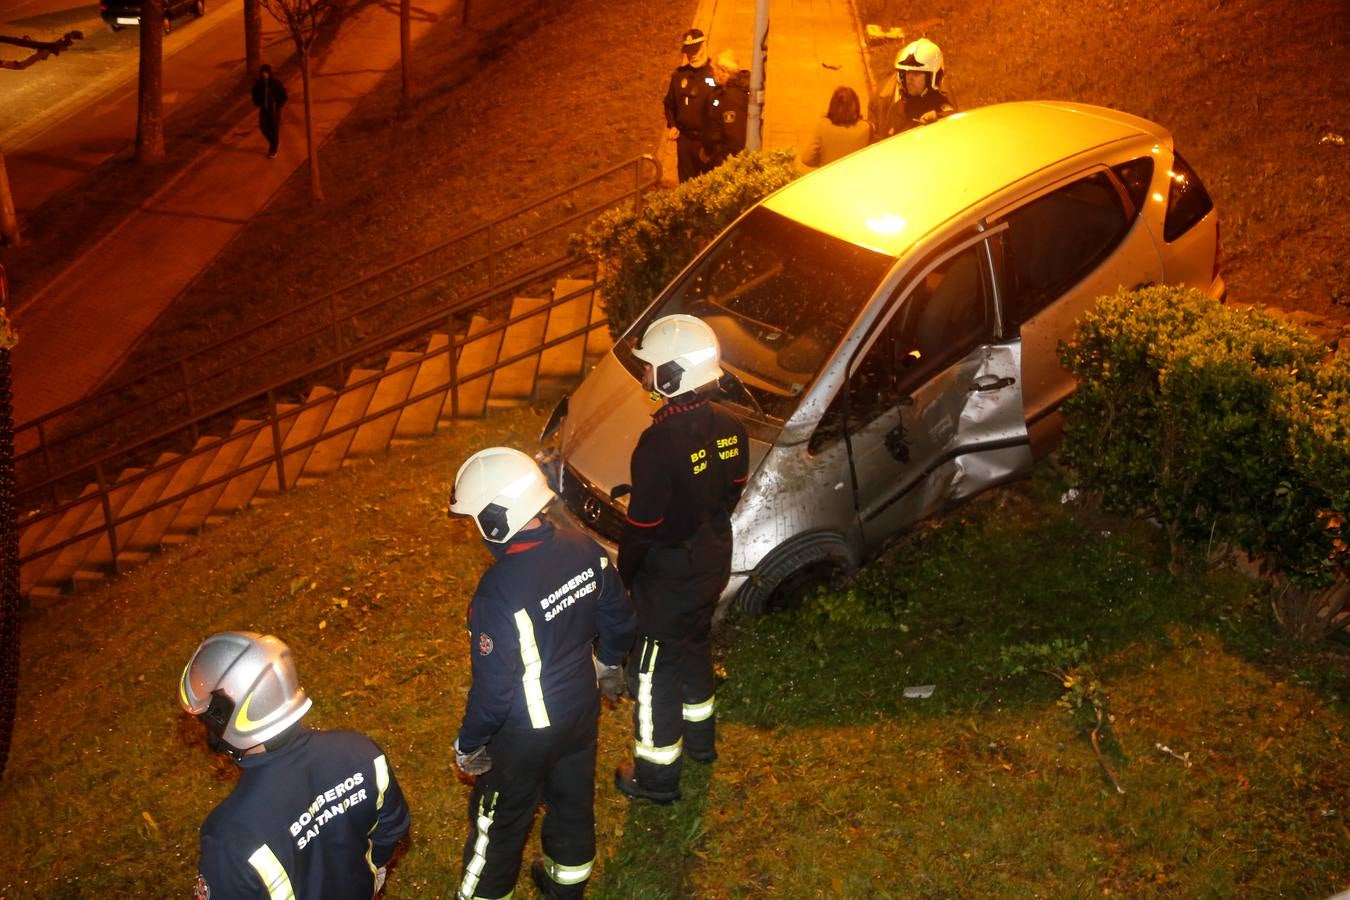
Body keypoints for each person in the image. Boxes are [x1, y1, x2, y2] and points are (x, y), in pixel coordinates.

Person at [447, 447, 635, 900]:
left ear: (495, 521)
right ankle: (564, 885)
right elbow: (620, 618)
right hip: (579, 714)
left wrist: (469, 745)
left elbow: (493, 693)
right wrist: (608, 665)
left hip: (523, 736)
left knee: (499, 826)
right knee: (572, 803)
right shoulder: (583, 547)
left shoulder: (497, 594)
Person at [614, 315, 748, 804]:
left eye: (650, 369)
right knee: (693, 646)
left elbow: (643, 528)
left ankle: (656, 778)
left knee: (651, 673)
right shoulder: (732, 426)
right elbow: (733, 489)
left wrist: (624, 579)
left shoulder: (658, 444)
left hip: (667, 579)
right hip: (712, 560)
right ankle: (701, 744)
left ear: (671, 377)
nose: (645, 377)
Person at [179, 631, 411, 899]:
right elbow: (393, 827)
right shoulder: (361, 751)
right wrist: (369, 875)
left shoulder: (230, 839)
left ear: (222, 717)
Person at [870, 37, 956, 141]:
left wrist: (938, 118)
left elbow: (954, 130)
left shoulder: (943, 98)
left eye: (916, 73)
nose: (909, 78)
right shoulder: (895, 108)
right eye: (906, 73)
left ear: (931, 77)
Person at [663, 28, 718, 182]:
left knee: (710, 185)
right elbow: (669, 104)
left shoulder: (715, 73)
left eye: (696, 50)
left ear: (704, 46)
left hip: (708, 141)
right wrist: (673, 124)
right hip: (686, 141)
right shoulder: (679, 76)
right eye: (689, 52)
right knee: (686, 186)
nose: (692, 55)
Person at [701, 50, 750, 170]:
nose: (712, 74)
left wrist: (722, 161)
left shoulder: (731, 97)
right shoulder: (725, 91)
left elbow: (734, 137)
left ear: (723, 71)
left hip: (724, 162)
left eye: (714, 71)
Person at [803, 85, 872, 167]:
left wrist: (822, 163)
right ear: (856, 106)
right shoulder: (866, 128)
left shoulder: (824, 125)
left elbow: (806, 159)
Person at [251, 64, 288, 159]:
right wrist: (258, 103)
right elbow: (254, 94)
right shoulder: (258, 85)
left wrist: (278, 105)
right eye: (263, 73)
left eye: (266, 73)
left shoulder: (275, 83)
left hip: (274, 110)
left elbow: (284, 95)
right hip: (264, 109)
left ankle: (273, 150)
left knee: (274, 129)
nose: (264, 75)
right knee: (263, 127)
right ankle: (274, 142)